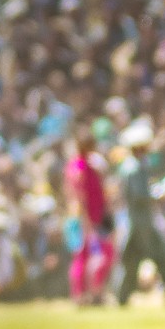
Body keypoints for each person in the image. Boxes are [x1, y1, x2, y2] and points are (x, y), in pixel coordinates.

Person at [115, 121, 165, 307]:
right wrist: (158, 195)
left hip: (134, 222)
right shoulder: (135, 167)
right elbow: (139, 195)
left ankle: (121, 298)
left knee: (131, 262)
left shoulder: (131, 165)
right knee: (164, 256)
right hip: (143, 223)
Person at [64, 128, 115, 306]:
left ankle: (93, 292)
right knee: (84, 256)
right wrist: (85, 220)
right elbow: (79, 195)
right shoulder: (79, 166)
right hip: (84, 219)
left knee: (98, 254)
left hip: (94, 218)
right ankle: (83, 295)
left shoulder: (88, 164)